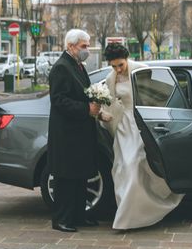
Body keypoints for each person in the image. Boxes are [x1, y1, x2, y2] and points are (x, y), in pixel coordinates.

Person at [99, 42, 183, 230]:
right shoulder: (110, 78)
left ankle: (139, 214)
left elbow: (157, 95)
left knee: (135, 163)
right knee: (122, 167)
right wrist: (102, 114)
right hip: (123, 126)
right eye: (114, 66)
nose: (118, 69)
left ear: (127, 58)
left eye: (120, 64)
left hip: (140, 123)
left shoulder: (142, 71)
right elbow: (109, 101)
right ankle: (126, 213)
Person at [47, 29, 100, 232]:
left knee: (80, 177)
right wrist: (87, 109)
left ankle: (78, 215)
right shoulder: (61, 67)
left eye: (87, 45)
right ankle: (62, 219)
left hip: (80, 133)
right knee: (66, 179)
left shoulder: (77, 65)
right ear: (71, 46)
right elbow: (59, 100)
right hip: (67, 134)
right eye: (84, 46)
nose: (87, 50)